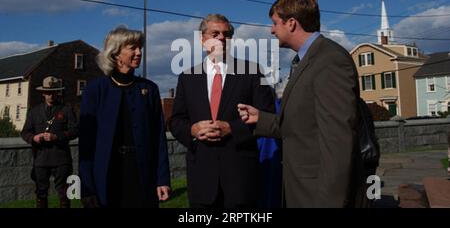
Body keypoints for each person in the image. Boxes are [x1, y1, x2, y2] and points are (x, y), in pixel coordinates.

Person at [238, 0, 366, 208]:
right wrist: (261, 119)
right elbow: (302, 126)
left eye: (275, 23)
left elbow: (337, 141)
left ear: (291, 23)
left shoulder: (330, 60)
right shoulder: (305, 61)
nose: (271, 30)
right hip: (302, 191)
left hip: (319, 196)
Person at [168, 14, 275, 208]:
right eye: (214, 33)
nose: (220, 38)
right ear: (202, 40)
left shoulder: (253, 71)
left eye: (226, 34)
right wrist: (192, 130)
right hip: (201, 178)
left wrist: (232, 129)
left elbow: (267, 116)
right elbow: (176, 121)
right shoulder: (187, 77)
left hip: (240, 177)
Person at [79, 26, 171, 208]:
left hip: (141, 173)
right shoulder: (95, 90)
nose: (139, 52)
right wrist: (86, 187)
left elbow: (158, 138)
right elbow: (86, 144)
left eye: (140, 48)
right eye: (132, 47)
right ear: (115, 54)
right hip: (107, 174)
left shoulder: (149, 89)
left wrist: (162, 179)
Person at [21, 76, 78, 208]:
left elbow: (75, 131)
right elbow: (25, 132)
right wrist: (33, 138)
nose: (50, 95)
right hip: (41, 158)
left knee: (64, 193)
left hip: (61, 158)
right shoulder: (34, 112)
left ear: (58, 92)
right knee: (41, 193)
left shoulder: (66, 109)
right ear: (43, 93)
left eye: (53, 92)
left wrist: (56, 137)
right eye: (48, 92)